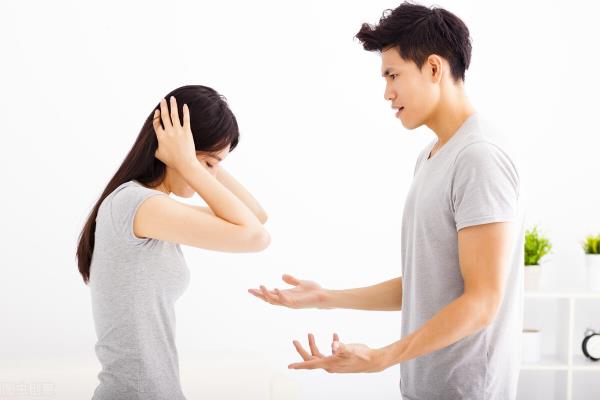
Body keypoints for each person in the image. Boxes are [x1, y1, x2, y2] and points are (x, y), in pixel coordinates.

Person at [249, 3, 525, 399]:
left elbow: (483, 301)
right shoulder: (433, 156)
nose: (387, 93)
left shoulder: (479, 157)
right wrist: (326, 298)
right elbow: (426, 285)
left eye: (393, 75)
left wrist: (381, 357)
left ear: (434, 68)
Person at [76, 85, 270, 399]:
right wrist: (190, 163)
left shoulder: (153, 208)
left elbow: (255, 218)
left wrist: (198, 161)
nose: (210, 175)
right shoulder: (137, 204)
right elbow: (255, 237)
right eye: (209, 163)